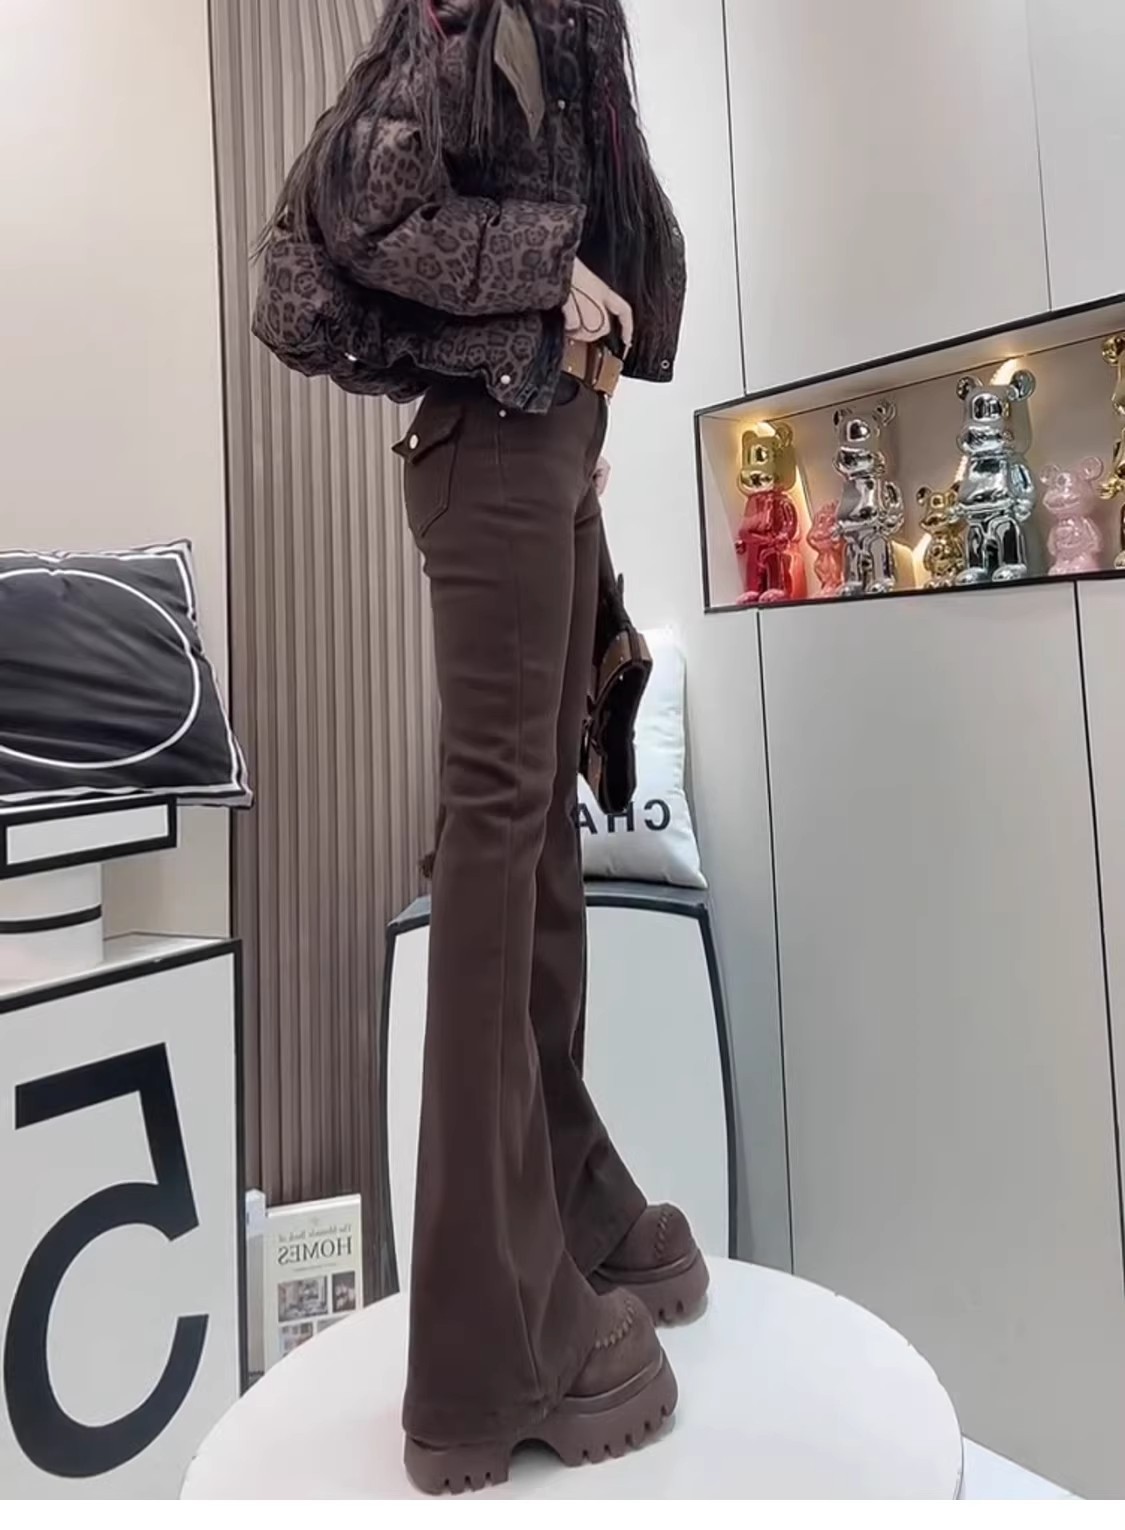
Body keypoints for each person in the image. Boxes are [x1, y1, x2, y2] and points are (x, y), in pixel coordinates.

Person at [254, 0, 707, 1494]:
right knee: (496, 852)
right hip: (497, 449)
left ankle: (560, 1199)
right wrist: (547, 275)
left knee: (537, 847)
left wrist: (576, 367)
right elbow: (362, 203)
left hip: (543, 444)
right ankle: (483, 1352)